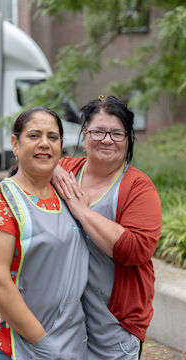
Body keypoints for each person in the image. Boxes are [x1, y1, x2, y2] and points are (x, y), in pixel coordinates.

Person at [0, 107, 89, 360]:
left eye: (53, 137)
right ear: (15, 144)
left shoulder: (66, 195)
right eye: (34, 136)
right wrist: (42, 342)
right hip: (21, 345)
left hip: (69, 342)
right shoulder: (0, 201)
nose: (44, 144)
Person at [52, 95, 162, 360]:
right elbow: (23, 169)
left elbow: (136, 249)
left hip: (113, 323)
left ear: (128, 138)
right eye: (98, 131)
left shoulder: (138, 187)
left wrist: (82, 211)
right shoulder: (67, 171)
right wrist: (51, 167)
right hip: (63, 322)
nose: (107, 139)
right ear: (84, 134)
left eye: (117, 133)